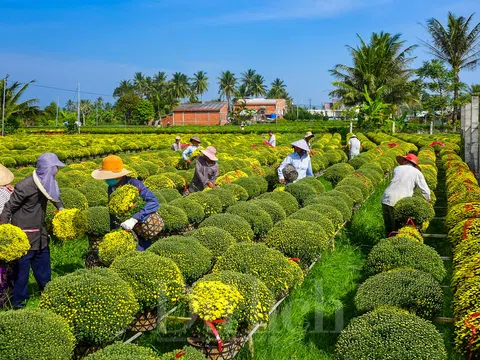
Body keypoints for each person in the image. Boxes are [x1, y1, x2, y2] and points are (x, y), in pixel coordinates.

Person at [0, 153, 65, 309]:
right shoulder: (25, 186)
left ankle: (48, 294)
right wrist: (4, 229)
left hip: (41, 233)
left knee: (43, 268)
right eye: (55, 167)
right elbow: (9, 207)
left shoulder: (48, 182)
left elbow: (54, 196)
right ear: (48, 169)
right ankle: (18, 303)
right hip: (25, 234)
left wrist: (62, 210)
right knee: (22, 273)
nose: (57, 170)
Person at [91, 155, 159, 251]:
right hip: (124, 231)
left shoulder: (134, 184)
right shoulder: (111, 188)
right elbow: (112, 212)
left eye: (108, 176)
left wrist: (135, 218)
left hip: (141, 230)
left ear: (119, 175)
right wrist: (113, 230)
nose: (107, 179)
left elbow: (153, 202)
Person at [381, 153, 431, 236]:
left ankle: (386, 240)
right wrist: (428, 200)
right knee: (398, 229)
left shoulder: (397, 168)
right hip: (400, 201)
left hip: (386, 198)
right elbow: (425, 190)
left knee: (388, 227)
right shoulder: (417, 173)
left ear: (405, 161)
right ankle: (394, 245)